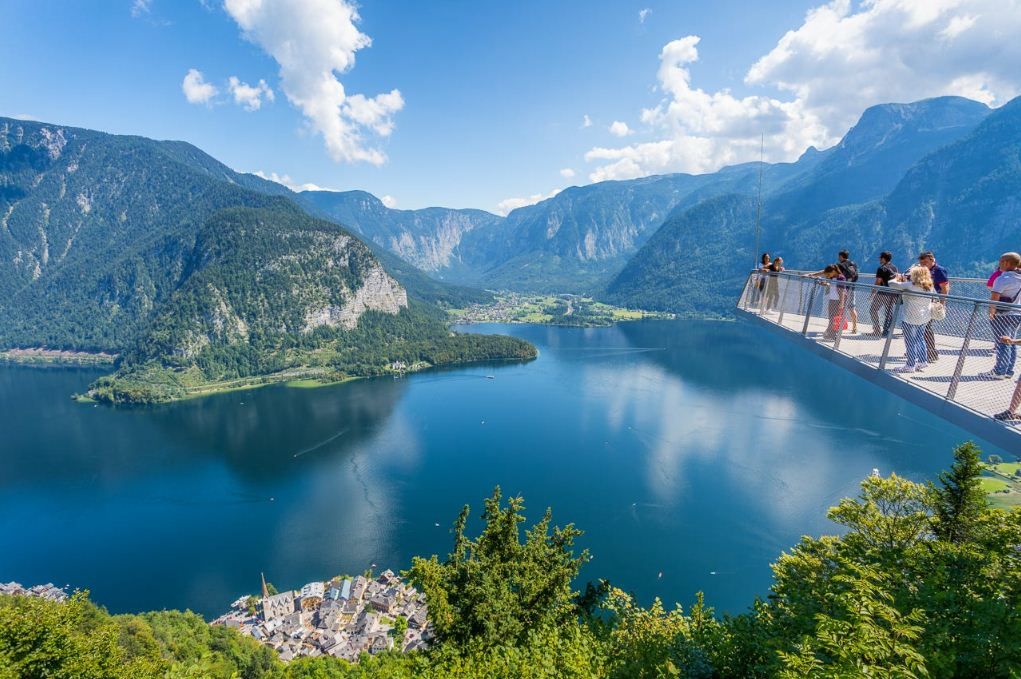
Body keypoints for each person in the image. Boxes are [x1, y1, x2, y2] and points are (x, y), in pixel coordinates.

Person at [980, 252, 1021, 380]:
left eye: (1001, 261)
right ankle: (1008, 370)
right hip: (1017, 313)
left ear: (1007, 263)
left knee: (1002, 341)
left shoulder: (1002, 279)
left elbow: (994, 299)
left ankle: (999, 371)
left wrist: (991, 313)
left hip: (1002, 315)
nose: (999, 263)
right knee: (1011, 341)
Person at [888, 266, 934, 373]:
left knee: (910, 341)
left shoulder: (910, 285)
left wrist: (897, 278)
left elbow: (891, 284)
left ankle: (910, 365)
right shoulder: (929, 286)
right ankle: (922, 361)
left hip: (910, 317)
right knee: (920, 339)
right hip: (924, 317)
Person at [918, 251, 949, 362]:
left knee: (926, 327)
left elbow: (945, 288)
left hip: (933, 303)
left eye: (925, 262)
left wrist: (942, 304)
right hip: (924, 302)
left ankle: (931, 353)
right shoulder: (925, 270)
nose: (923, 264)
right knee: (922, 327)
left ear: (932, 260)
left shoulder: (939, 270)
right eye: (921, 263)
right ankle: (922, 351)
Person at [869, 251, 898, 337]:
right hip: (892, 293)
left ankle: (877, 330)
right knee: (888, 312)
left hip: (882, 293)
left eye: (880, 258)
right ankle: (887, 331)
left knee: (873, 310)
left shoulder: (881, 268)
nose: (879, 259)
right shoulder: (894, 268)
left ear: (883, 258)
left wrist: (872, 294)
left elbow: (878, 282)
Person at [817, 264, 847, 340]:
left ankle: (834, 335)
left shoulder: (841, 278)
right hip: (832, 299)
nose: (828, 275)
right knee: (831, 317)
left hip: (838, 301)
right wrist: (826, 284)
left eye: (829, 273)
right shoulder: (834, 277)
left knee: (835, 318)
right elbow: (833, 286)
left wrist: (841, 303)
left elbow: (842, 291)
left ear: (833, 271)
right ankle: (831, 334)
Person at [836, 250, 860, 333]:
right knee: (852, 308)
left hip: (843, 289)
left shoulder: (840, 265)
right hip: (852, 288)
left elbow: (836, 275)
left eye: (839, 256)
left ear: (841, 256)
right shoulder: (853, 263)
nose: (838, 258)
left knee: (840, 306)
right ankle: (854, 327)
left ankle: (838, 326)